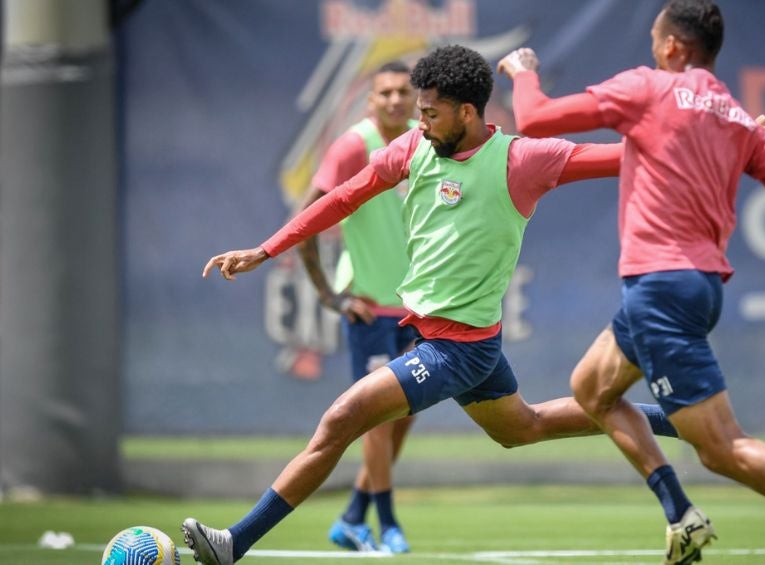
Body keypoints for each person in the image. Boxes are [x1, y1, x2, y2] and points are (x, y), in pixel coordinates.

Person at [183, 44, 680, 565]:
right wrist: (266, 249)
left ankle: (233, 544)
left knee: (341, 419)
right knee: (524, 427)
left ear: (467, 112)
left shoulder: (522, 159)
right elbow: (339, 200)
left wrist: (728, 143)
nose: (417, 122)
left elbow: (627, 158)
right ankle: (677, 416)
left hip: (458, 349)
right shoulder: (411, 151)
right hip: (461, 343)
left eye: (429, 112)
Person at [496, 1, 765, 564]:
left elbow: (536, 119)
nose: (651, 50)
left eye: (654, 40)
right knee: (592, 388)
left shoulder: (648, 89)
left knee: (723, 449)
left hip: (659, 289)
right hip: (694, 287)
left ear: (673, 49)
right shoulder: (740, 121)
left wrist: (522, 72)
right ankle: (681, 515)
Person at [294, 60, 419, 554]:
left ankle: (351, 517)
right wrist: (331, 296)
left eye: (402, 92)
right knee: (378, 419)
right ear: (370, 100)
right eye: (384, 92)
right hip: (369, 307)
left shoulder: (425, 141)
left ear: (416, 97)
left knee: (403, 418)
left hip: (418, 309)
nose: (393, 100)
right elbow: (308, 215)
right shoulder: (354, 145)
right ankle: (388, 524)